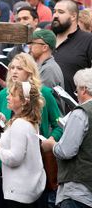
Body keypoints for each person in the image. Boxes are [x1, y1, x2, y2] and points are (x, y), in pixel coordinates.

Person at [0, 80, 46, 207]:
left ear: (24, 101)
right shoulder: (27, 121)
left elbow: (15, 158)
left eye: (13, 95)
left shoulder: (20, 124)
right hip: (24, 190)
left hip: (19, 193)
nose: (7, 97)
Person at [41, 68, 92, 208]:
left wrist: (52, 145)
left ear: (83, 89)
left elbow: (66, 151)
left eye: (76, 91)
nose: (77, 95)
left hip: (78, 191)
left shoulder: (80, 113)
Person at [51, 0, 92, 100]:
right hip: (44, 107)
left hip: (74, 109)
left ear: (73, 16)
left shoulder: (88, 40)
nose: (55, 15)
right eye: (54, 11)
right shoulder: (47, 39)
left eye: (61, 12)